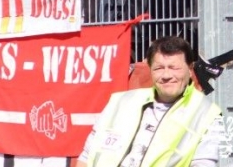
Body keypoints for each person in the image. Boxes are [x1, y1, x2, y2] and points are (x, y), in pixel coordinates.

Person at [76, 36, 225, 167]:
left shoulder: (206, 113)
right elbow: (87, 155)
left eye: (174, 68)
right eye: (159, 68)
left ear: (190, 69)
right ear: (150, 69)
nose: (166, 75)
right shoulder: (121, 101)